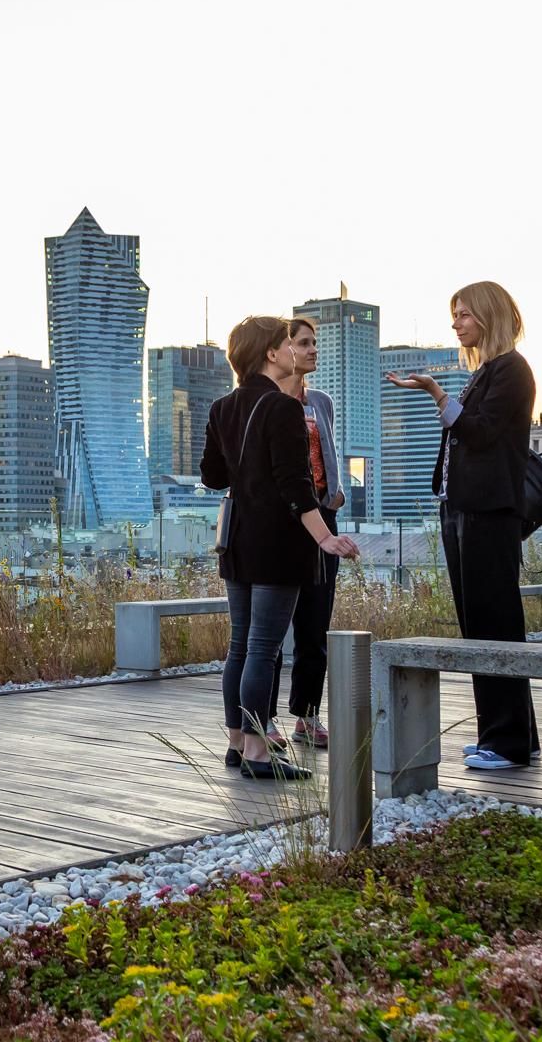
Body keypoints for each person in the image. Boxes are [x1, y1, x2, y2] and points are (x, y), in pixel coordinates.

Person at [385, 281, 539, 771]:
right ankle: (508, 732)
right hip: (465, 509)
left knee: (495, 622)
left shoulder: (511, 369)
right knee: (479, 623)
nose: (456, 324)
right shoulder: (486, 371)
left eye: (465, 314)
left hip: (488, 512)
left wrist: (436, 393)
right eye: (455, 315)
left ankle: (508, 742)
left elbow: (482, 432)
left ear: (489, 316)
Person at [202, 314, 361, 781]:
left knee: (240, 646)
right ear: (271, 353)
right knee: (262, 648)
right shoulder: (283, 408)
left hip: (237, 541)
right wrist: (325, 537)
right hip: (277, 543)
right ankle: (257, 751)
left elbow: (213, 476)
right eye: (288, 344)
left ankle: (237, 742)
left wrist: (247, 466)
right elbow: (296, 487)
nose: (296, 350)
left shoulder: (222, 407)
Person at [271, 315, 342, 748]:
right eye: (303, 342)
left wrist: (335, 495)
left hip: (323, 519)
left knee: (315, 624)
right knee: (272, 627)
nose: (313, 349)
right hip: (281, 523)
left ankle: (307, 715)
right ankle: (263, 719)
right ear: (282, 351)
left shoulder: (320, 402)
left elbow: (329, 451)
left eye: (314, 342)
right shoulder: (268, 402)